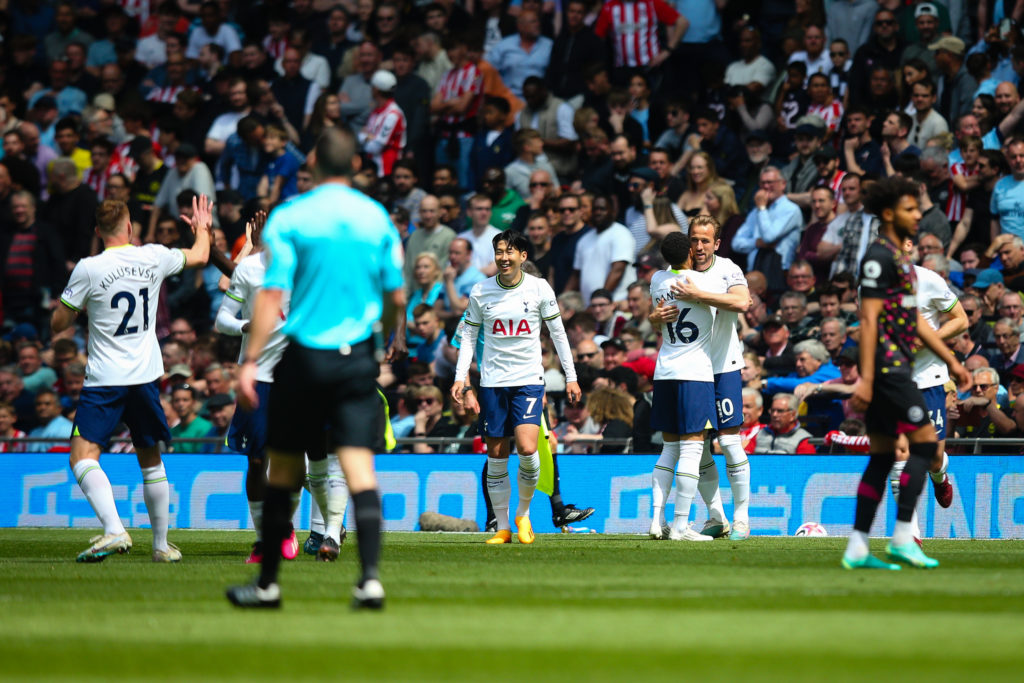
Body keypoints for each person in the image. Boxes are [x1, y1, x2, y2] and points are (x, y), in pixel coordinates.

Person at [227, 128, 404, 610]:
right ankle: (369, 580)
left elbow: (271, 293)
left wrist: (249, 363)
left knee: (283, 469)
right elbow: (397, 296)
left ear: (314, 167)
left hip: (301, 357)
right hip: (354, 358)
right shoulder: (376, 218)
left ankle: (268, 586)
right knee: (359, 471)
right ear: (353, 166)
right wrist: (376, 336)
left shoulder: (292, 217)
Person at [52, 196, 212, 563]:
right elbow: (201, 255)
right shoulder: (152, 256)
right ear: (129, 228)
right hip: (144, 377)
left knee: (82, 455)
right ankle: (160, 546)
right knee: (151, 458)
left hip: (105, 379)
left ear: (98, 232)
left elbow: (60, 324)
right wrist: (202, 227)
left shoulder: (89, 268)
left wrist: (71, 310)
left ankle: (113, 529)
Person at [843, 176, 970, 571]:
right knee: (925, 448)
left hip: (895, 371)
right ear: (888, 213)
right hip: (890, 372)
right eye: (910, 209)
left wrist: (950, 359)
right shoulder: (878, 260)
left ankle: (859, 547)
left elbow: (911, 318)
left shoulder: (899, 261)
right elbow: (870, 320)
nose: (918, 215)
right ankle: (903, 539)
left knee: (882, 459)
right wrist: (865, 378)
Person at [451, 230, 580, 545]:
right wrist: (460, 377)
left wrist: (571, 375)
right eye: (498, 251)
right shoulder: (481, 291)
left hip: (528, 382)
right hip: (493, 383)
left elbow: (558, 334)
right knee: (496, 456)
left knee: (527, 448)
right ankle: (503, 527)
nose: (503, 257)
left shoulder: (539, 288)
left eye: (510, 251)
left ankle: (523, 514)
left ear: (523, 256)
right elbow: (467, 336)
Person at [651, 215, 752, 540]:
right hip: (691, 370)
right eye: (694, 239)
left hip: (722, 366)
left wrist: (701, 295)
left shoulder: (726, 269)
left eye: (705, 240)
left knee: (730, 441)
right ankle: (715, 515)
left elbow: (742, 302)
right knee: (697, 447)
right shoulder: (674, 277)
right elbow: (661, 319)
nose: (699, 246)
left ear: (716, 244)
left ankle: (741, 518)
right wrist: (654, 317)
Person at [646, 231, 718, 542]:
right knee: (692, 447)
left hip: (665, 370)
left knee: (669, 448)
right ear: (691, 250)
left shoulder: (657, 280)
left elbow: (659, 313)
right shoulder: (703, 282)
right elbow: (739, 301)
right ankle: (680, 525)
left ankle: (655, 520)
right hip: (694, 373)